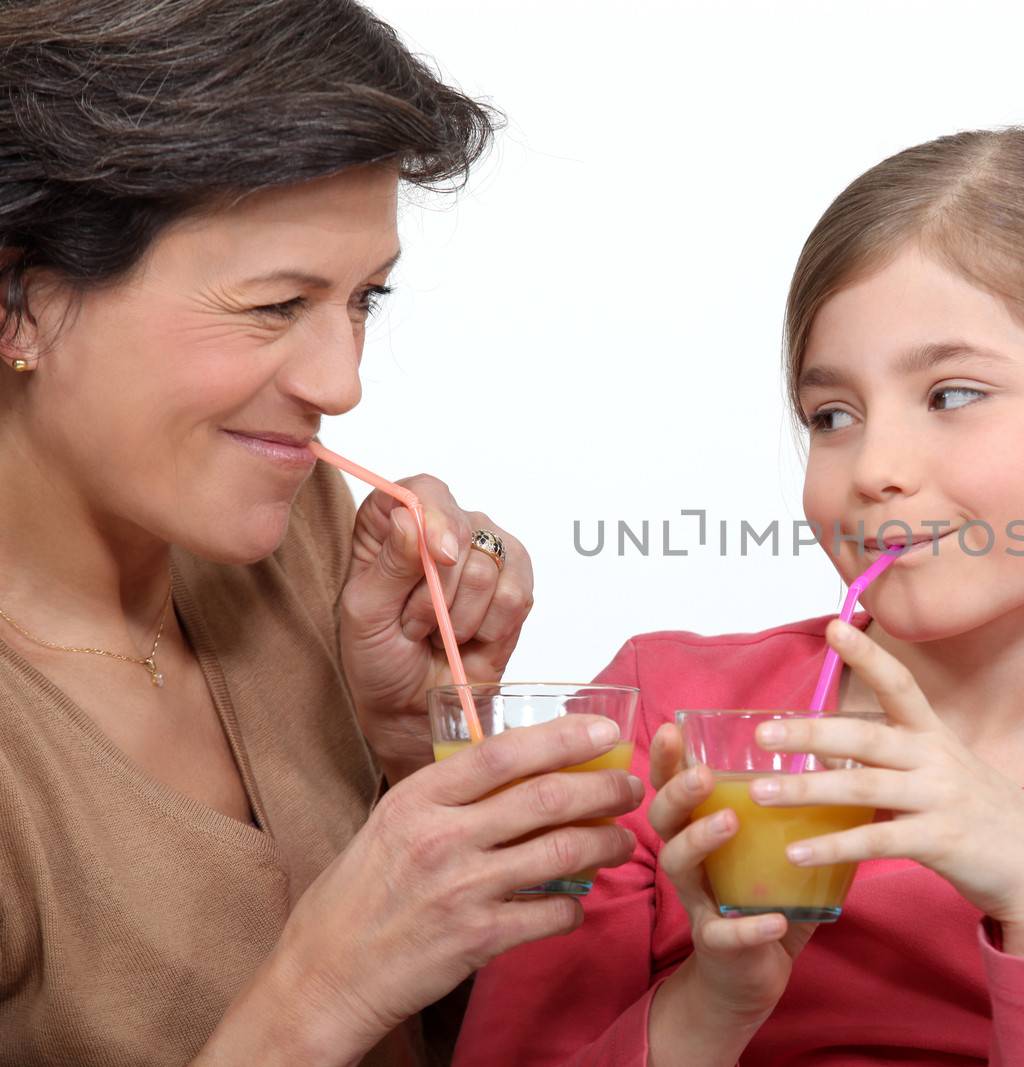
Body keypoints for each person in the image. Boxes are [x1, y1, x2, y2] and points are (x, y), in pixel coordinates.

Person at [455, 128, 1024, 1065]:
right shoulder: (662, 722)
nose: (874, 468)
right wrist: (713, 1005)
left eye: (952, 396)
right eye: (833, 416)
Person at [0, 4, 640, 1064]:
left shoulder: (295, 537)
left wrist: (405, 755)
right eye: (274, 305)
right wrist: (324, 984)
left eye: (363, 300)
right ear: (18, 299)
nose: (339, 384)